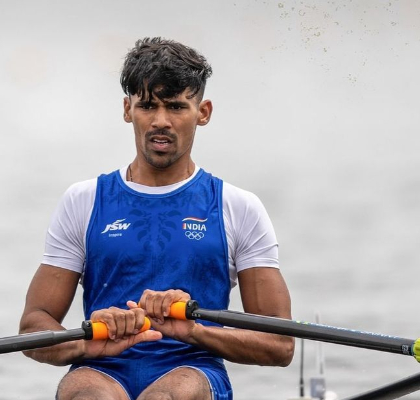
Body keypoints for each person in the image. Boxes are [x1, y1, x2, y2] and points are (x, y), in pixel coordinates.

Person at [19, 37, 294, 400]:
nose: (160, 121)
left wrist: (193, 331)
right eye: (148, 105)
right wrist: (88, 341)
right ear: (127, 109)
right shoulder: (82, 201)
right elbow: (32, 328)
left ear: (203, 112)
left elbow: (279, 344)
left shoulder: (237, 207)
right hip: (101, 368)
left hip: (192, 369)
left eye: (177, 107)